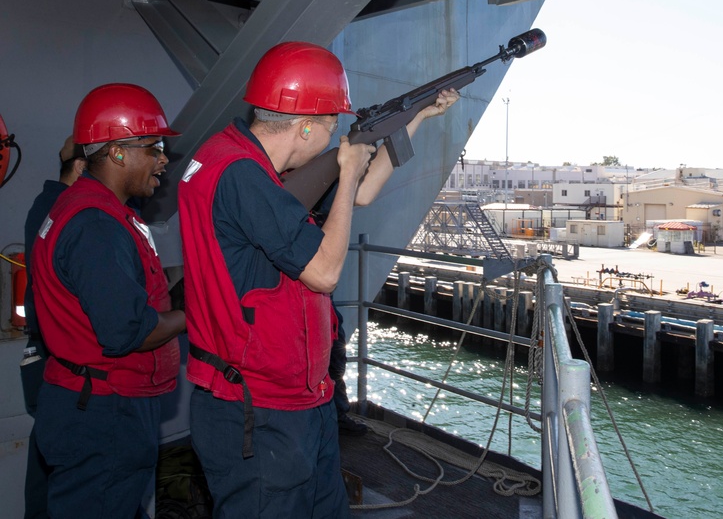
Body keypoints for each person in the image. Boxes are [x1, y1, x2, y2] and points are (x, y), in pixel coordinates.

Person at [178, 41, 457, 518]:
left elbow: (361, 195)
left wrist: (415, 118)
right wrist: (345, 175)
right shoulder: (245, 176)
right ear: (305, 126)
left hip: (297, 401)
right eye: (330, 127)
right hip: (261, 413)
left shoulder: (242, 163)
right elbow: (325, 273)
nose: (333, 138)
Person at [30, 83, 187, 519]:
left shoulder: (95, 210)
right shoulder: (96, 225)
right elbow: (127, 331)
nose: (163, 160)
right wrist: (189, 315)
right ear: (118, 153)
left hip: (96, 403)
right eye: (154, 147)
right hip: (104, 413)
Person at [19, 135, 86, 519]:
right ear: (80, 167)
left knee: (50, 466)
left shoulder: (45, 206)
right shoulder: (62, 210)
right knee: (65, 473)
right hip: (53, 359)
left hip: (42, 356)